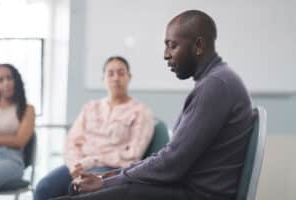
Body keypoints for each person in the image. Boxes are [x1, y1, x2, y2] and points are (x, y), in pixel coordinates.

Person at [52, 10, 255, 200]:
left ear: (198, 46)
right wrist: (111, 177)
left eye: (172, 45)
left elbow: (172, 164)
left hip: (194, 193)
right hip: (188, 187)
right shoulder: (217, 81)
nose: (166, 55)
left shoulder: (215, 86)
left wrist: (107, 181)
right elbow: (173, 157)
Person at [34, 56, 154, 200]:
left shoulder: (141, 112)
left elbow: (133, 155)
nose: (116, 78)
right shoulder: (90, 107)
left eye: (121, 73)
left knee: (78, 188)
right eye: (110, 73)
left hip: (110, 169)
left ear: (129, 77)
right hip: (79, 165)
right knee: (43, 188)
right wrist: (75, 165)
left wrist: (92, 161)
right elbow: (72, 142)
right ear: (103, 79)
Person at [0, 64, 35, 192]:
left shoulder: (27, 110)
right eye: (0, 80)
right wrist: (7, 138)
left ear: (16, 80)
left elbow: (19, 141)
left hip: (11, 159)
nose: (6, 83)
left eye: (9, 78)